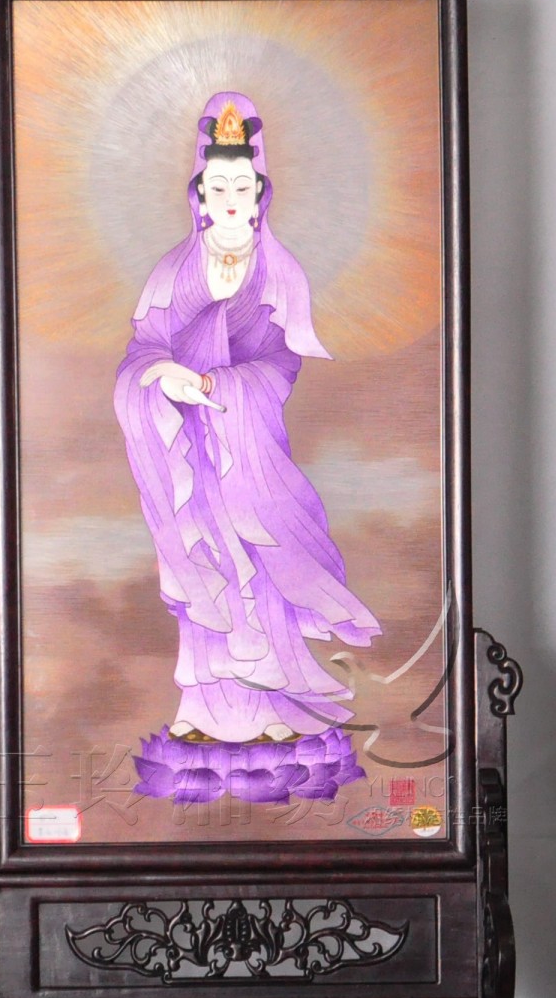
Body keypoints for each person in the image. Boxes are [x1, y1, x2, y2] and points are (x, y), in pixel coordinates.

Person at [114, 92, 381, 746]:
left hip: (245, 441)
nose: (230, 198)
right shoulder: (175, 269)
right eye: (218, 186)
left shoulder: (277, 273)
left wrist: (216, 385)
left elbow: (280, 365)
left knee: (255, 558)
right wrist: (161, 374)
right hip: (188, 445)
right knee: (203, 558)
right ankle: (204, 707)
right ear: (200, 195)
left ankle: (269, 709)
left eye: (241, 185)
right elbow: (143, 349)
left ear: (259, 192)